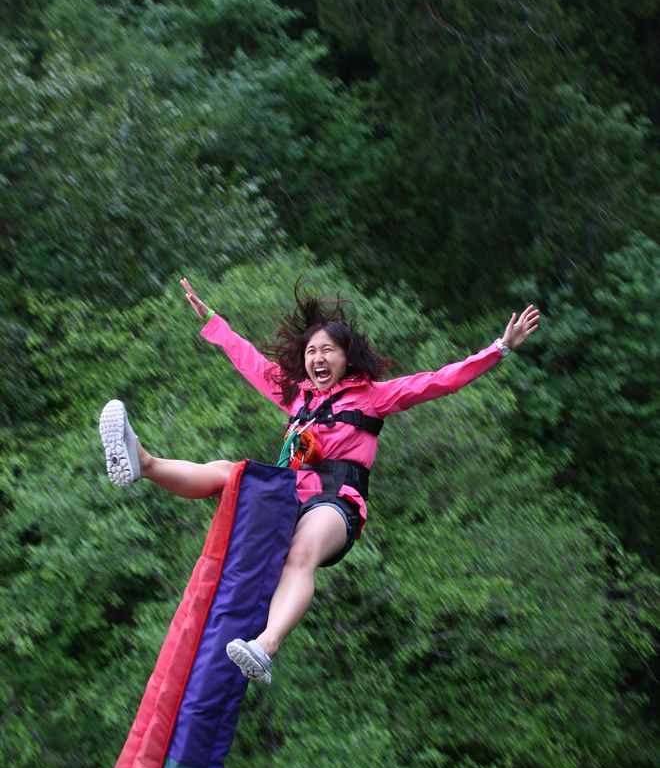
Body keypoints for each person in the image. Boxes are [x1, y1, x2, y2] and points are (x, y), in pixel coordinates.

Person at [99, 278, 540, 684]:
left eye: (328, 350)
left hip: (336, 504)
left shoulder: (373, 396)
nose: (318, 358)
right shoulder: (298, 397)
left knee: (302, 551)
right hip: (289, 496)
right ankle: (144, 463)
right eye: (311, 352)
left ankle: (265, 646)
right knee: (227, 473)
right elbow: (249, 360)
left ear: (347, 357)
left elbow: (439, 381)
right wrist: (213, 321)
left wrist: (500, 348)